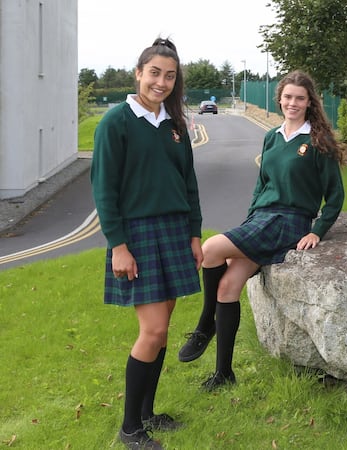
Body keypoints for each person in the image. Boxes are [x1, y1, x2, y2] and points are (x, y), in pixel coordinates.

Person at [178, 71, 344, 392]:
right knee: (228, 287)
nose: (293, 103)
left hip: (289, 221)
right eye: (288, 97)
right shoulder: (272, 137)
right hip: (261, 220)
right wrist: (251, 220)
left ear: (309, 102)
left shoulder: (318, 141)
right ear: (279, 99)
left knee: (210, 249)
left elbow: (335, 195)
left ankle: (205, 325)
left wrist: (318, 231)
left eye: (300, 98)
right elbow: (262, 185)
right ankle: (224, 373)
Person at [91, 37, 200, 450]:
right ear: (138, 73)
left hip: (174, 232)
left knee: (163, 329)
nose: (161, 82)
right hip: (137, 236)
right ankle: (129, 429)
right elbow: (104, 189)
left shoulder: (175, 126)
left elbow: (188, 183)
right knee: (152, 330)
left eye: (169, 76)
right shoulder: (116, 122)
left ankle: (147, 414)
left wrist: (194, 234)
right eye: (154, 73)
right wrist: (118, 245)